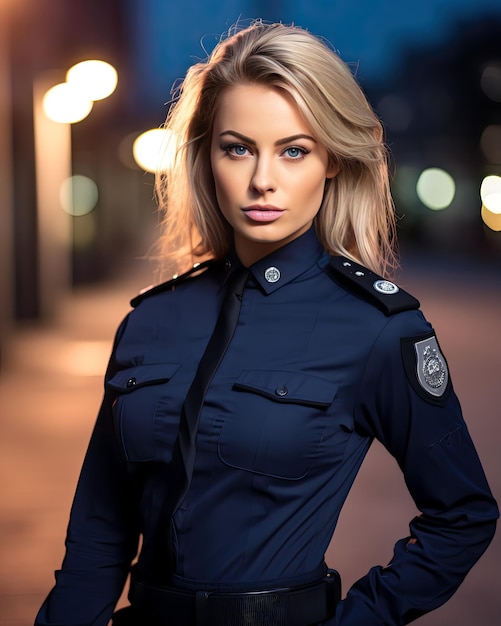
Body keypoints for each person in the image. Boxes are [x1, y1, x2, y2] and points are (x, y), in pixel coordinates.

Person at [35, 20, 498, 626]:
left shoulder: (379, 329)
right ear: (206, 154)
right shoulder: (151, 320)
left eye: (294, 150)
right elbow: (100, 530)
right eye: (238, 147)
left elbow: (462, 515)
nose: (262, 180)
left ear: (332, 159)